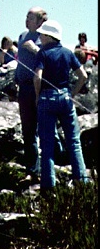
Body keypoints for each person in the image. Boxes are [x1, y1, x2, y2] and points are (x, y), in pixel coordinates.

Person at [34, 20, 89, 192]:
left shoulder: (43, 53)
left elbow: (37, 77)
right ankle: (82, 183)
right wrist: (71, 94)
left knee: (47, 144)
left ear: (48, 36)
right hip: (65, 97)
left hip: (46, 98)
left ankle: (48, 187)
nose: (40, 37)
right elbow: (83, 76)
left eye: (42, 34)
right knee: (74, 142)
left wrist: (37, 97)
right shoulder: (68, 53)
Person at [15, 6, 63, 182]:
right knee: (28, 131)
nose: (27, 20)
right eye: (26, 17)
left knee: (45, 129)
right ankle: (32, 171)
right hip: (24, 88)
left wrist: (34, 49)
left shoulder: (46, 39)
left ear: (41, 21)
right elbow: (20, 60)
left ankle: (54, 166)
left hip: (40, 88)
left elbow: (51, 59)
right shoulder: (22, 36)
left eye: (31, 18)